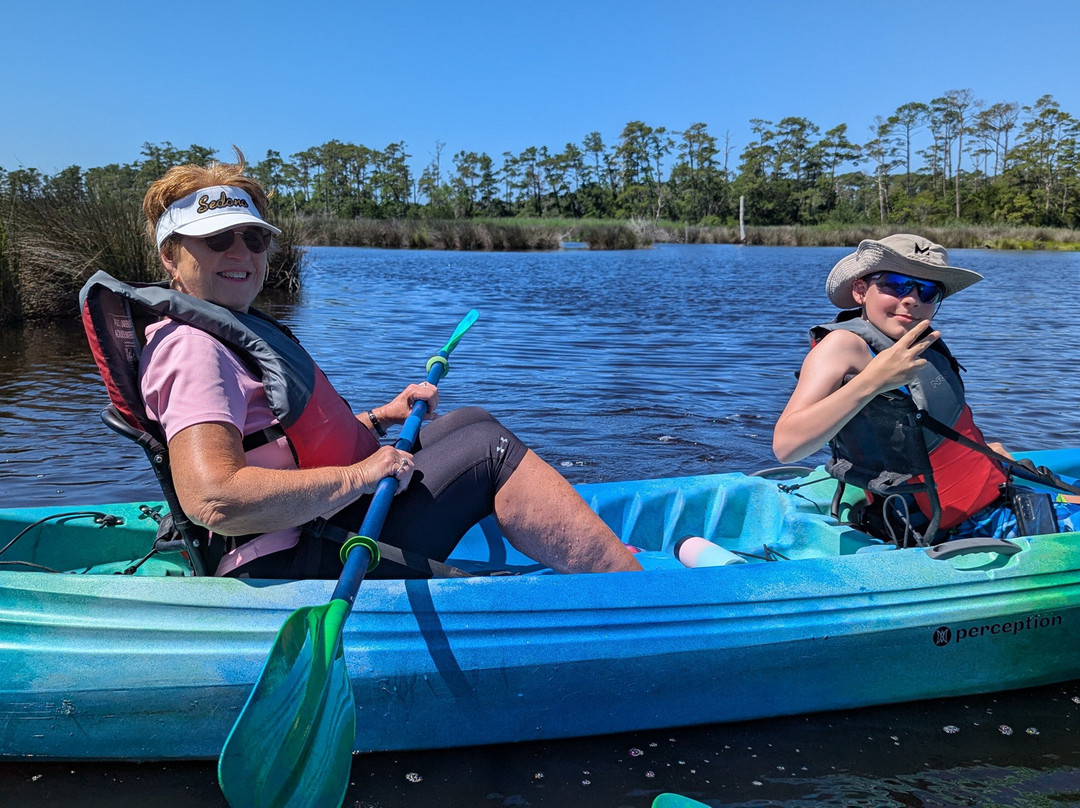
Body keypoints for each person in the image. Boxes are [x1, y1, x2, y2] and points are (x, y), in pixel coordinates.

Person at [133, 152, 642, 578]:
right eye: (217, 239)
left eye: (254, 238)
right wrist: (359, 476)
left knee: (471, 421)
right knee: (490, 450)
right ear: (170, 257)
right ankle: (630, 588)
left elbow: (278, 444)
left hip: (314, 523)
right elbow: (214, 498)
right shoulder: (194, 350)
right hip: (292, 558)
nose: (241, 253)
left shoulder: (220, 332)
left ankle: (580, 547)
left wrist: (382, 417)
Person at [772, 233, 1080, 543]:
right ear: (861, 290)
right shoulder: (842, 345)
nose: (913, 299)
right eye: (896, 284)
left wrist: (984, 452)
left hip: (992, 491)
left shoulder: (913, 341)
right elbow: (786, 446)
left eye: (929, 291)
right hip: (971, 523)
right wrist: (872, 381)